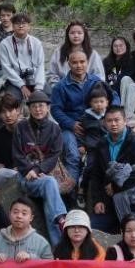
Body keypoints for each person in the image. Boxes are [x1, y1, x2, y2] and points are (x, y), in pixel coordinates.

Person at [12, 90, 68, 246]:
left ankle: (58, 246)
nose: (38, 109)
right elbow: (17, 155)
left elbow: (54, 156)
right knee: (50, 183)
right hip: (25, 177)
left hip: (45, 176)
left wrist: (38, 170)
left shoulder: (55, 129)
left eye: (41, 106)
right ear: (29, 108)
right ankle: (61, 218)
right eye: (34, 106)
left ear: (48, 107)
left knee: (49, 201)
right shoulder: (20, 127)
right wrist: (29, 170)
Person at [87, 105, 135, 232]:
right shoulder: (102, 144)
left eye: (117, 120)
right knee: (91, 229)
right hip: (108, 202)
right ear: (104, 123)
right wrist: (98, 200)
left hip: (133, 200)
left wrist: (117, 186)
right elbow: (96, 174)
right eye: (109, 120)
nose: (113, 124)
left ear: (125, 121)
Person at [50, 48, 108, 181]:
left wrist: (110, 113)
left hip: (94, 126)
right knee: (73, 156)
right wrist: (71, 124)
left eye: (82, 62)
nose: (79, 65)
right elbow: (56, 110)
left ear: (87, 62)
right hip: (70, 128)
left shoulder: (96, 82)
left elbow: (112, 96)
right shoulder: (61, 86)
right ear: (68, 64)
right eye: (75, 62)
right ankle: (72, 188)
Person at [46, 20, 104, 94]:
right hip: (62, 91)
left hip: (87, 92)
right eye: (72, 33)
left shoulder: (93, 54)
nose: (76, 36)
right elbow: (51, 74)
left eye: (79, 33)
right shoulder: (58, 52)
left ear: (84, 35)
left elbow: (99, 76)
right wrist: (60, 88)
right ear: (68, 35)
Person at [0, 12, 45, 100]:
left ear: (29, 26)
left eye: (24, 23)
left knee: (47, 96)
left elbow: (40, 66)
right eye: (17, 23)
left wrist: (38, 88)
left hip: (34, 79)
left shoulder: (36, 43)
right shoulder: (4, 44)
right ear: (12, 26)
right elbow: (6, 68)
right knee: (10, 100)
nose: (21, 26)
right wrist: (21, 85)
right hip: (15, 81)